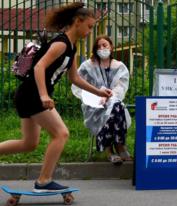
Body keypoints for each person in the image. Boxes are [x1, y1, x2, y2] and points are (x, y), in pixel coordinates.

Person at [0, 2, 111, 192]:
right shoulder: (61, 43)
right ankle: (44, 181)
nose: (90, 31)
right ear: (78, 22)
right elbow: (39, 67)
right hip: (33, 95)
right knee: (61, 133)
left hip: (29, 95)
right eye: (90, 26)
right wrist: (44, 95)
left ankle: (44, 180)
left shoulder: (72, 47)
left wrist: (98, 91)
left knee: (29, 143)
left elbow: (74, 78)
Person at [72, 35, 131, 165]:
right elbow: (78, 84)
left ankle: (111, 149)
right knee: (114, 109)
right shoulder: (88, 66)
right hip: (94, 105)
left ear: (111, 47)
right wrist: (95, 96)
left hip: (114, 101)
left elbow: (121, 86)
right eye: (99, 46)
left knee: (115, 106)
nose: (102, 48)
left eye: (105, 45)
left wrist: (109, 96)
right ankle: (118, 146)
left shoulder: (119, 66)